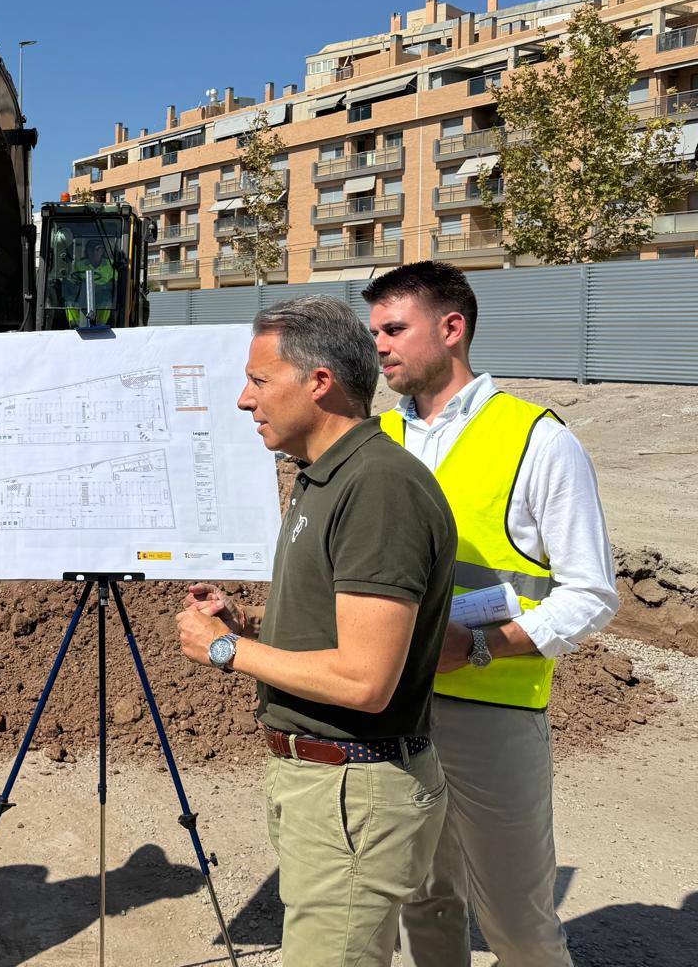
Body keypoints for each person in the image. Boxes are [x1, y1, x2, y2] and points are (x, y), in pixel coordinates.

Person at [175, 295, 456, 967]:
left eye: (260, 381)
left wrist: (227, 650)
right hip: (328, 787)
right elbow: (343, 623)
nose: (246, 400)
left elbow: (365, 679)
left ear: (320, 382)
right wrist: (249, 622)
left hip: (353, 791)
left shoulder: (377, 489)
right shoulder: (323, 479)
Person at [364, 261, 617, 967]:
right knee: (424, 901)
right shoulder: (377, 438)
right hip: (394, 709)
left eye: (394, 329)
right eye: (374, 331)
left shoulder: (537, 440)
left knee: (518, 925)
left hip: (493, 718)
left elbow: (591, 593)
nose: (379, 346)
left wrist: (478, 647)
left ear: (452, 328)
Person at [62, 235, 116, 326]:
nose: (95, 252)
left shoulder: (110, 264)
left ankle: (100, 325)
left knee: (107, 302)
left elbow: (117, 283)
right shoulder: (80, 264)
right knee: (70, 301)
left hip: (103, 294)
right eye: (91, 249)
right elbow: (73, 281)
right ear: (87, 251)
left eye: (98, 249)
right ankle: (74, 324)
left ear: (102, 251)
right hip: (82, 296)